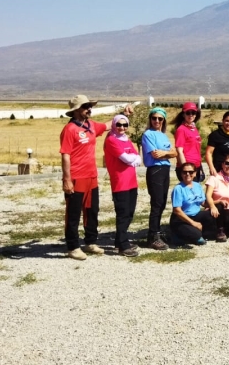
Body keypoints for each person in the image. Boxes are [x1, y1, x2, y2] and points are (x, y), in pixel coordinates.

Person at [59, 94, 130, 260]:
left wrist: (123, 114)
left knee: (92, 210)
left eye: (90, 106)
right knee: (74, 213)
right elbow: (65, 155)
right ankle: (73, 246)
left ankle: (90, 242)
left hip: (91, 176)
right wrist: (67, 179)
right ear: (76, 110)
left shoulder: (90, 125)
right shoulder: (69, 130)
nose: (89, 109)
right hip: (76, 177)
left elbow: (107, 125)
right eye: (85, 106)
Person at [102, 113, 141, 257]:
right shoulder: (111, 140)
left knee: (130, 213)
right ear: (114, 125)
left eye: (125, 125)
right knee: (123, 214)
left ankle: (120, 240)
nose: (122, 127)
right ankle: (123, 246)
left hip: (131, 182)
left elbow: (138, 157)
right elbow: (125, 158)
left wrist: (133, 159)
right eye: (119, 124)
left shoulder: (126, 140)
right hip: (120, 182)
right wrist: (132, 159)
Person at [141, 107, 177, 250]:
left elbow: (174, 153)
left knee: (162, 202)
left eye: (160, 118)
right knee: (156, 203)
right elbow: (156, 154)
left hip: (165, 169)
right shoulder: (148, 134)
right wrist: (167, 153)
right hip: (155, 169)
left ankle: (156, 231)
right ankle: (152, 236)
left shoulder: (163, 135)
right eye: (154, 118)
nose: (157, 121)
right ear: (150, 119)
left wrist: (166, 153)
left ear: (163, 121)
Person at [169, 162, 216, 247]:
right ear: (181, 174)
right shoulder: (178, 189)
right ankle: (177, 234)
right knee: (197, 235)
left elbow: (203, 203)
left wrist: (215, 204)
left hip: (196, 214)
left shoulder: (197, 186)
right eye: (184, 172)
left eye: (190, 172)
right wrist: (193, 223)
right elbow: (177, 210)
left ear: (195, 173)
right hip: (181, 218)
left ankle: (195, 233)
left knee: (213, 215)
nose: (188, 174)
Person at [204, 153, 229, 242]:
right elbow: (208, 195)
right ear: (222, 164)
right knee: (220, 205)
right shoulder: (214, 178)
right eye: (227, 163)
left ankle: (220, 230)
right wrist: (212, 206)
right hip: (215, 208)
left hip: (228, 208)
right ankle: (220, 230)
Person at [173, 101, 203, 182]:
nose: (191, 115)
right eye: (188, 113)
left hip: (196, 166)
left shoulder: (194, 128)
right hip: (188, 167)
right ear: (183, 114)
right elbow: (179, 151)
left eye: (193, 112)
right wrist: (185, 170)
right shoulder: (181, 130)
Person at [204, 110, 229, 176]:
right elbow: (208, 153)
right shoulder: (215, 135)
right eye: (227, 121)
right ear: (223, 121)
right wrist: (211, 168)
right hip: (218, 170)